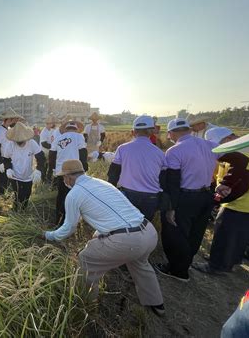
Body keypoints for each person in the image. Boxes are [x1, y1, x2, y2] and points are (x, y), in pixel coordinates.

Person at [43, 159, 165, 316]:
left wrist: (49, 235)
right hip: (148, 232)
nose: (63, 180)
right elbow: (114, 215)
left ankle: (83, 305)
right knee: (140, 264)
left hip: (126, 241)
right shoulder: (101, 183)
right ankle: (157, 304)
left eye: (63, 177)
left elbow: (69, 228)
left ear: (69, 178)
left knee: (85, 260)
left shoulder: (74, 194)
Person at [153, 118, 219, 282]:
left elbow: (173, 182)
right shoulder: (210, 145)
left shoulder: (175, 151)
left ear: (172, 133)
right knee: (196, 233)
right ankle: (186, 263)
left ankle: (178, 270)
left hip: (186, 197)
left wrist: (171, 208)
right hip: (206, 195)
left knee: (175, 233)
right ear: (188, 130)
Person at [192, 133, 249, 274]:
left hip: (238, 203)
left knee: (224, 234)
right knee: (240, 235)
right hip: (248, 205)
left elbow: (240, 177)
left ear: (227, 140)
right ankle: (230, 261)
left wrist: (222, 194)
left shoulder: (244, 153)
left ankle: (216, 265)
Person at [107, 116, 167, 222]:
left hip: (128, 194)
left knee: (127, 225)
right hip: (151, 197)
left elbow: (113, 173)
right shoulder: (159, 153)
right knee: (145, 227)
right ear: (151, 132)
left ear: (133, 132)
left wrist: (111, 194)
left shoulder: (123, 149)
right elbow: (164, 178)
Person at [49, 119, 88, 224]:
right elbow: (83, 153)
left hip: (61, 171)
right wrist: (84, 168)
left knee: (61, 194)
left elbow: (52, 154)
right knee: (72, 196)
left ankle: (58, 219)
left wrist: (52, 169)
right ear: (76, 129)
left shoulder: (58, 138)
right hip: (74, 171)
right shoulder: (79, 137)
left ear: (65, 130)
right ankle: (68, 220)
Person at [3, 122, 46, 210]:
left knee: (26, 196)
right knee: (18, 196)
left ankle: (23, 210)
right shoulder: (10, 145)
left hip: (28, 176)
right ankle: (16, 211)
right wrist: (8, 169)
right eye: (17, 140)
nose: (19, 142)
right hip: (15, 176)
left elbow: (41, 157)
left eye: (21, 140)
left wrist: (38, 170)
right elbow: (6, 158)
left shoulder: (32, 143)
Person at [0, 108, 23, 195]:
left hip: (8, 158)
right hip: (1, 158)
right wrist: (0, 162)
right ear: (8, 119)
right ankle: (1, 195)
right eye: (13, 119)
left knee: (8, 177)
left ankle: (7, 193)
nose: (14, 121)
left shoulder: (9, 129)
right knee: (2, 178)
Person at [40, 115, 59, 182]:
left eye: (52, 123)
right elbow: (44, 143)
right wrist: (53, 147)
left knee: (51, 166)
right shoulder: (44, 132)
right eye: (49, 123)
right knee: (44, 166)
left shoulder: (53, 130)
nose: (51, 124)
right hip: (44, 151)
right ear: (47, 124)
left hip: (51, 151)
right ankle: (43, 179)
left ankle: (49, 178)